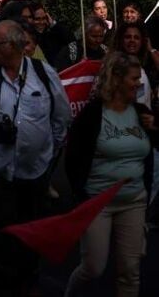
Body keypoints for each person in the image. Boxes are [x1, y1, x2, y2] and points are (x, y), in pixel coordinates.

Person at [0, 20, 71, 296]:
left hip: (34, 171)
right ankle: (5, 279)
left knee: (32, 229)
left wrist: (47, 152)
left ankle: (27, 275)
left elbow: (61, 118)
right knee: (2, 230)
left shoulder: (44, 74)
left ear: (14, 46)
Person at [64, 52, 159, 297]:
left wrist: (156, 128)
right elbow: (73, 157)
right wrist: (81, 196)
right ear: (116, 79)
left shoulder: (141, 113)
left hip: (134, 201)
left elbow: (152, 149)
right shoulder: (92, 115)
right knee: (93, 268)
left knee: (130, 270)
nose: (138, 84)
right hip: (98, 203)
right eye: (134, 78)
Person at [111, 21, 159, 107]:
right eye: (128, 37)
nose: (132, 40)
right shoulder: (113, 68)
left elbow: (140, 100)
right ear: (121, 40)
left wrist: (151, 49)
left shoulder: (144, 68)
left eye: (136, 37)